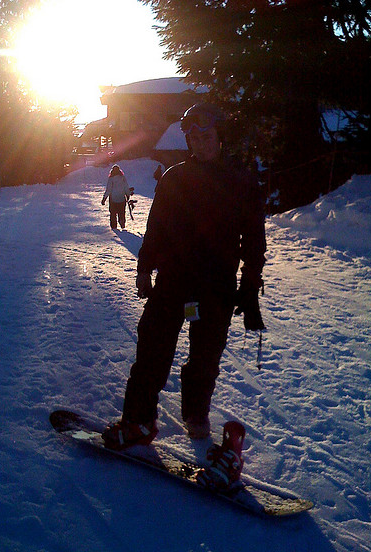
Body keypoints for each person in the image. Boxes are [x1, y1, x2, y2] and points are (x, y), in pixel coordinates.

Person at [103, 103, 266, 458]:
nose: (200, 143)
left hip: (216, 288)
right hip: (173, 282)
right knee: (152, 349)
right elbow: (156, 228)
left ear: (220, 137)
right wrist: (144, 268)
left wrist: (250, 286)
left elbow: (254, 239)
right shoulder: (174, 178)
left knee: (205, 357)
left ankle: (196, 413)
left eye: (207, 136)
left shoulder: (241, 181)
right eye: (194, 138)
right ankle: (138, 421)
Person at [101, 164, 131, 230]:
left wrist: (104, 198)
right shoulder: (123, 177)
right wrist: (128, 195)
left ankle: (114, 226)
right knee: (122, 212)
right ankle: (122, 223)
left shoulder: (111, 178)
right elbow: (126, 187)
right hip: (122, 198)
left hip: (113, 199)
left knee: (113, 213)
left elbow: (108, 190)